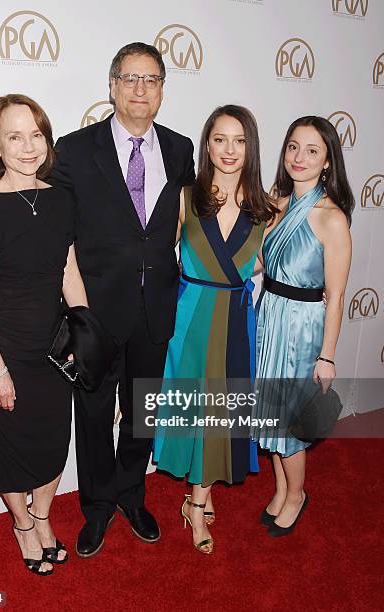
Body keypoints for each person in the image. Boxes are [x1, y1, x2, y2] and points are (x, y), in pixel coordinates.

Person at [0, 42, 195, 557]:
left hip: (155, 306)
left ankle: (133, 495)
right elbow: (26, 205)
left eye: (151, 80)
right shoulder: (74, 148)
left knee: (142, 411)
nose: (139, 89)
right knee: (90, 418)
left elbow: (188, 217)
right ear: (111, 86)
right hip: (94, 314)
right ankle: (97, 507)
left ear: (162, 90)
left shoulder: (180, 149)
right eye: (129, 78)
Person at [0, 94, 88, 575]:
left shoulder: (61, 200)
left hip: (55, 350)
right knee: (13, 448)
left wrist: (86, 335)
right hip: (7, 350)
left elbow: (69, 273)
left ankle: (42, 517)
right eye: (15, 136)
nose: (29, 146)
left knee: (54, 443)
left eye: (36, 134)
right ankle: (22, 525)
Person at [153, 105, 278, 553]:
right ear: (206, 144)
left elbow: (281, 258)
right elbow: (147, 248)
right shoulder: (186, 196)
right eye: (220, 139)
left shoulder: (268, 207)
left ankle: (197, 501)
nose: (229, 150)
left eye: (239, 140)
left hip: (235, 320)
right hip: (189, 319)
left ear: (252, 147)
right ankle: (197, 501)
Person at [251, 116, 353, 536]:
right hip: (268, 316)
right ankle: (280, 489)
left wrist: (327, 356)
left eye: (313, 150)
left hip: (302, 330)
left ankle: (296, 495)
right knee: (270, 414)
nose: (300, 157)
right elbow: (258, 264)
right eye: (293, 146)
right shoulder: (275, 204)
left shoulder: (332, 219)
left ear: (328, 161)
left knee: (289, 423)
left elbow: (337, 297)